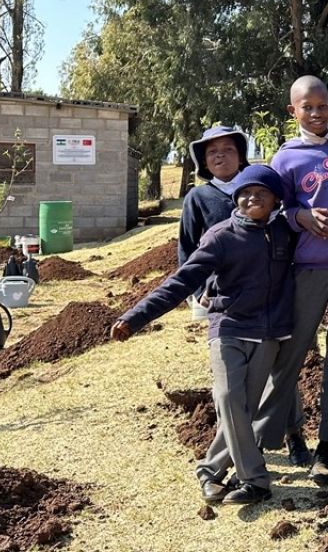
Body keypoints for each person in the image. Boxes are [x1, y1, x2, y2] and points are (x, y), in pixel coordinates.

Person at [111, 165, 296, 506]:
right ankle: (255, 479)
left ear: (276, 201)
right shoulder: (221, 236)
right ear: (235, 199)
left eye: (261, 193)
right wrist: (135, 318)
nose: (252, 198)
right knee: (227, 397)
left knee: (242, 410)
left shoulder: (285, 231)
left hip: (269, 333)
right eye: (244, 193)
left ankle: (210, 471)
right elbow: (180, 282)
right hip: (228, 328)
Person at [257, 75, 328, 485]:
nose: (317, 113)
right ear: (294, 111)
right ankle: (283, 436)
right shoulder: (285, 159)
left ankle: (326, 449)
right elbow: (273, 209)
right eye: (308, 107)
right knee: (291, 357)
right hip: (307, 271)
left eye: (323, 106)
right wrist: (299, 215)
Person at [179, 125, 250, 318]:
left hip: (257, 281)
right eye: (212, 152)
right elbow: (187, 246)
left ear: (241, 157)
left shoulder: (256, 192)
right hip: (217, 287)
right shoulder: (197, 197)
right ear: (204, 161)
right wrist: (199, 290)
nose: (220, 155)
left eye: (228, 149)